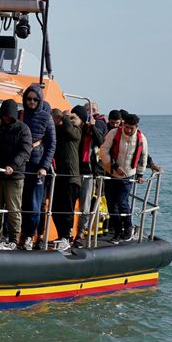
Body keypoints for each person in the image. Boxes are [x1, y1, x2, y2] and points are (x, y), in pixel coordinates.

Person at [99, 112, 149, 240]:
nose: (128, 130)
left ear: (136, 127)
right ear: (123, 125)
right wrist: (114, 166)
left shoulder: (141, 138)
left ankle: (128, 228)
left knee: (122, 202)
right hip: (111, 172)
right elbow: (103, 150)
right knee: (111, 204)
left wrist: (140, 174)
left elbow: (143, 157)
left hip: (128, 175)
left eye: (131, 128)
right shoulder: (113, 133)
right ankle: (116, 230)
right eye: (126, 127)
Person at [19, 84, 56, 250]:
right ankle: (15, 235)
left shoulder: (46, 117)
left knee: (34, 205)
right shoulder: (21, 115)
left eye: (35, 99)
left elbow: (51, 144)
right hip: (19, 164)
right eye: (28, 99)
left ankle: (29, 236)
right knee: (19, 203)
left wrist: (44, 166)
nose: (31, 102)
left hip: (36, 166)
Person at [0, 99, 33, 249]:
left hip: (14, 176)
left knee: (13, 209)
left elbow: (25, 151)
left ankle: (14, 240)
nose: (5, 118)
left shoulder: (23, 129)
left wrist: (12, 166)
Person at [71, 104, 105, 245]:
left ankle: (79, 234)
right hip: (74, 172)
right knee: (70, 205)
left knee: (85, 206)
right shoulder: (73, 129)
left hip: (88, 172)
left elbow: (101, 141)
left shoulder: (92, 129)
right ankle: (67, 233)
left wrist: (93, 126)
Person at [51, 106, 83, 251]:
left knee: (67, 210)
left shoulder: (77, 131)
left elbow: (70, 130)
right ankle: (61, 235)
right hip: (59, 176)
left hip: (72, 177)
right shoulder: (60, 131)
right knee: (55, 208)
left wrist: (65, 116)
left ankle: (67, 237)